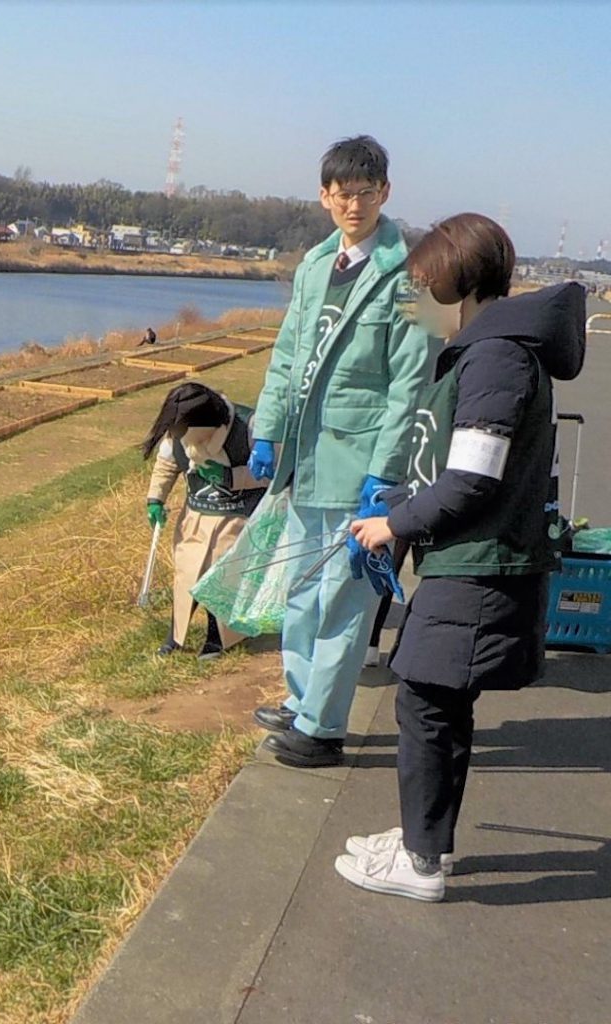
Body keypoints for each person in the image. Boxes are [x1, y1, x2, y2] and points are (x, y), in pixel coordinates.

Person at [335, 214, 585, 901]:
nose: (415, 304)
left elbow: (474, 478)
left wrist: (395, 523)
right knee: (435, 705)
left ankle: (420, 865)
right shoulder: (489, 350)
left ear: (461, 286)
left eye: (422, 289)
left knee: (424, 705)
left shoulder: (497, 357)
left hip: (477, 569)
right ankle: (424, 843)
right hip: (466, 562)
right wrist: (405, 508)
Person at [248, 135, 434, 767]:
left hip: (358, 463)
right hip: (306, 455)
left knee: (343, 596)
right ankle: (303, 703)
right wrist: (267, 428)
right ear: (324, 196)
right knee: (302, 590)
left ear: (385, 191)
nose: (353, 204)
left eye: (365, 191)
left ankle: (324, 727)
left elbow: (410, 380)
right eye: (341, 192)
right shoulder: (314, 265)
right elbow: (286, 355)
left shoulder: (410, 275)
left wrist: (385, 473)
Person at [142, 381, 269, 659]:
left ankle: (218, 635)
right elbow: (166, 465)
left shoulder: (249, 427)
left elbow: (273, 472)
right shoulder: (177, 432)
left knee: (221, 573)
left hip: (238, 516)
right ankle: (176, 633)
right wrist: (155, 499)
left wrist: (231, 478)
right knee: (188, 571)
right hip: (196, 515)